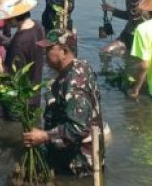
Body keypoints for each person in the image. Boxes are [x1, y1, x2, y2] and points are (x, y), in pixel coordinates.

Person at [22, 29, 103, 176]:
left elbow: (78, 127)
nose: (44, 54)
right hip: (74, 156)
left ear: (64, 52)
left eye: (49, 49)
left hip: (78, 164)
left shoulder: (74, 83)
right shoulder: (82, 66)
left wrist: (45, 136)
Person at [0, 0, 44, 85]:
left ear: (14, 16)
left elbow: (10, 78)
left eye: (7, 18)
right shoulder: (37, 26)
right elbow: (28, 50)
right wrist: (9, 43)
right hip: (35, 89)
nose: (5, 21)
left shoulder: (19, 42)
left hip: (22, 98)